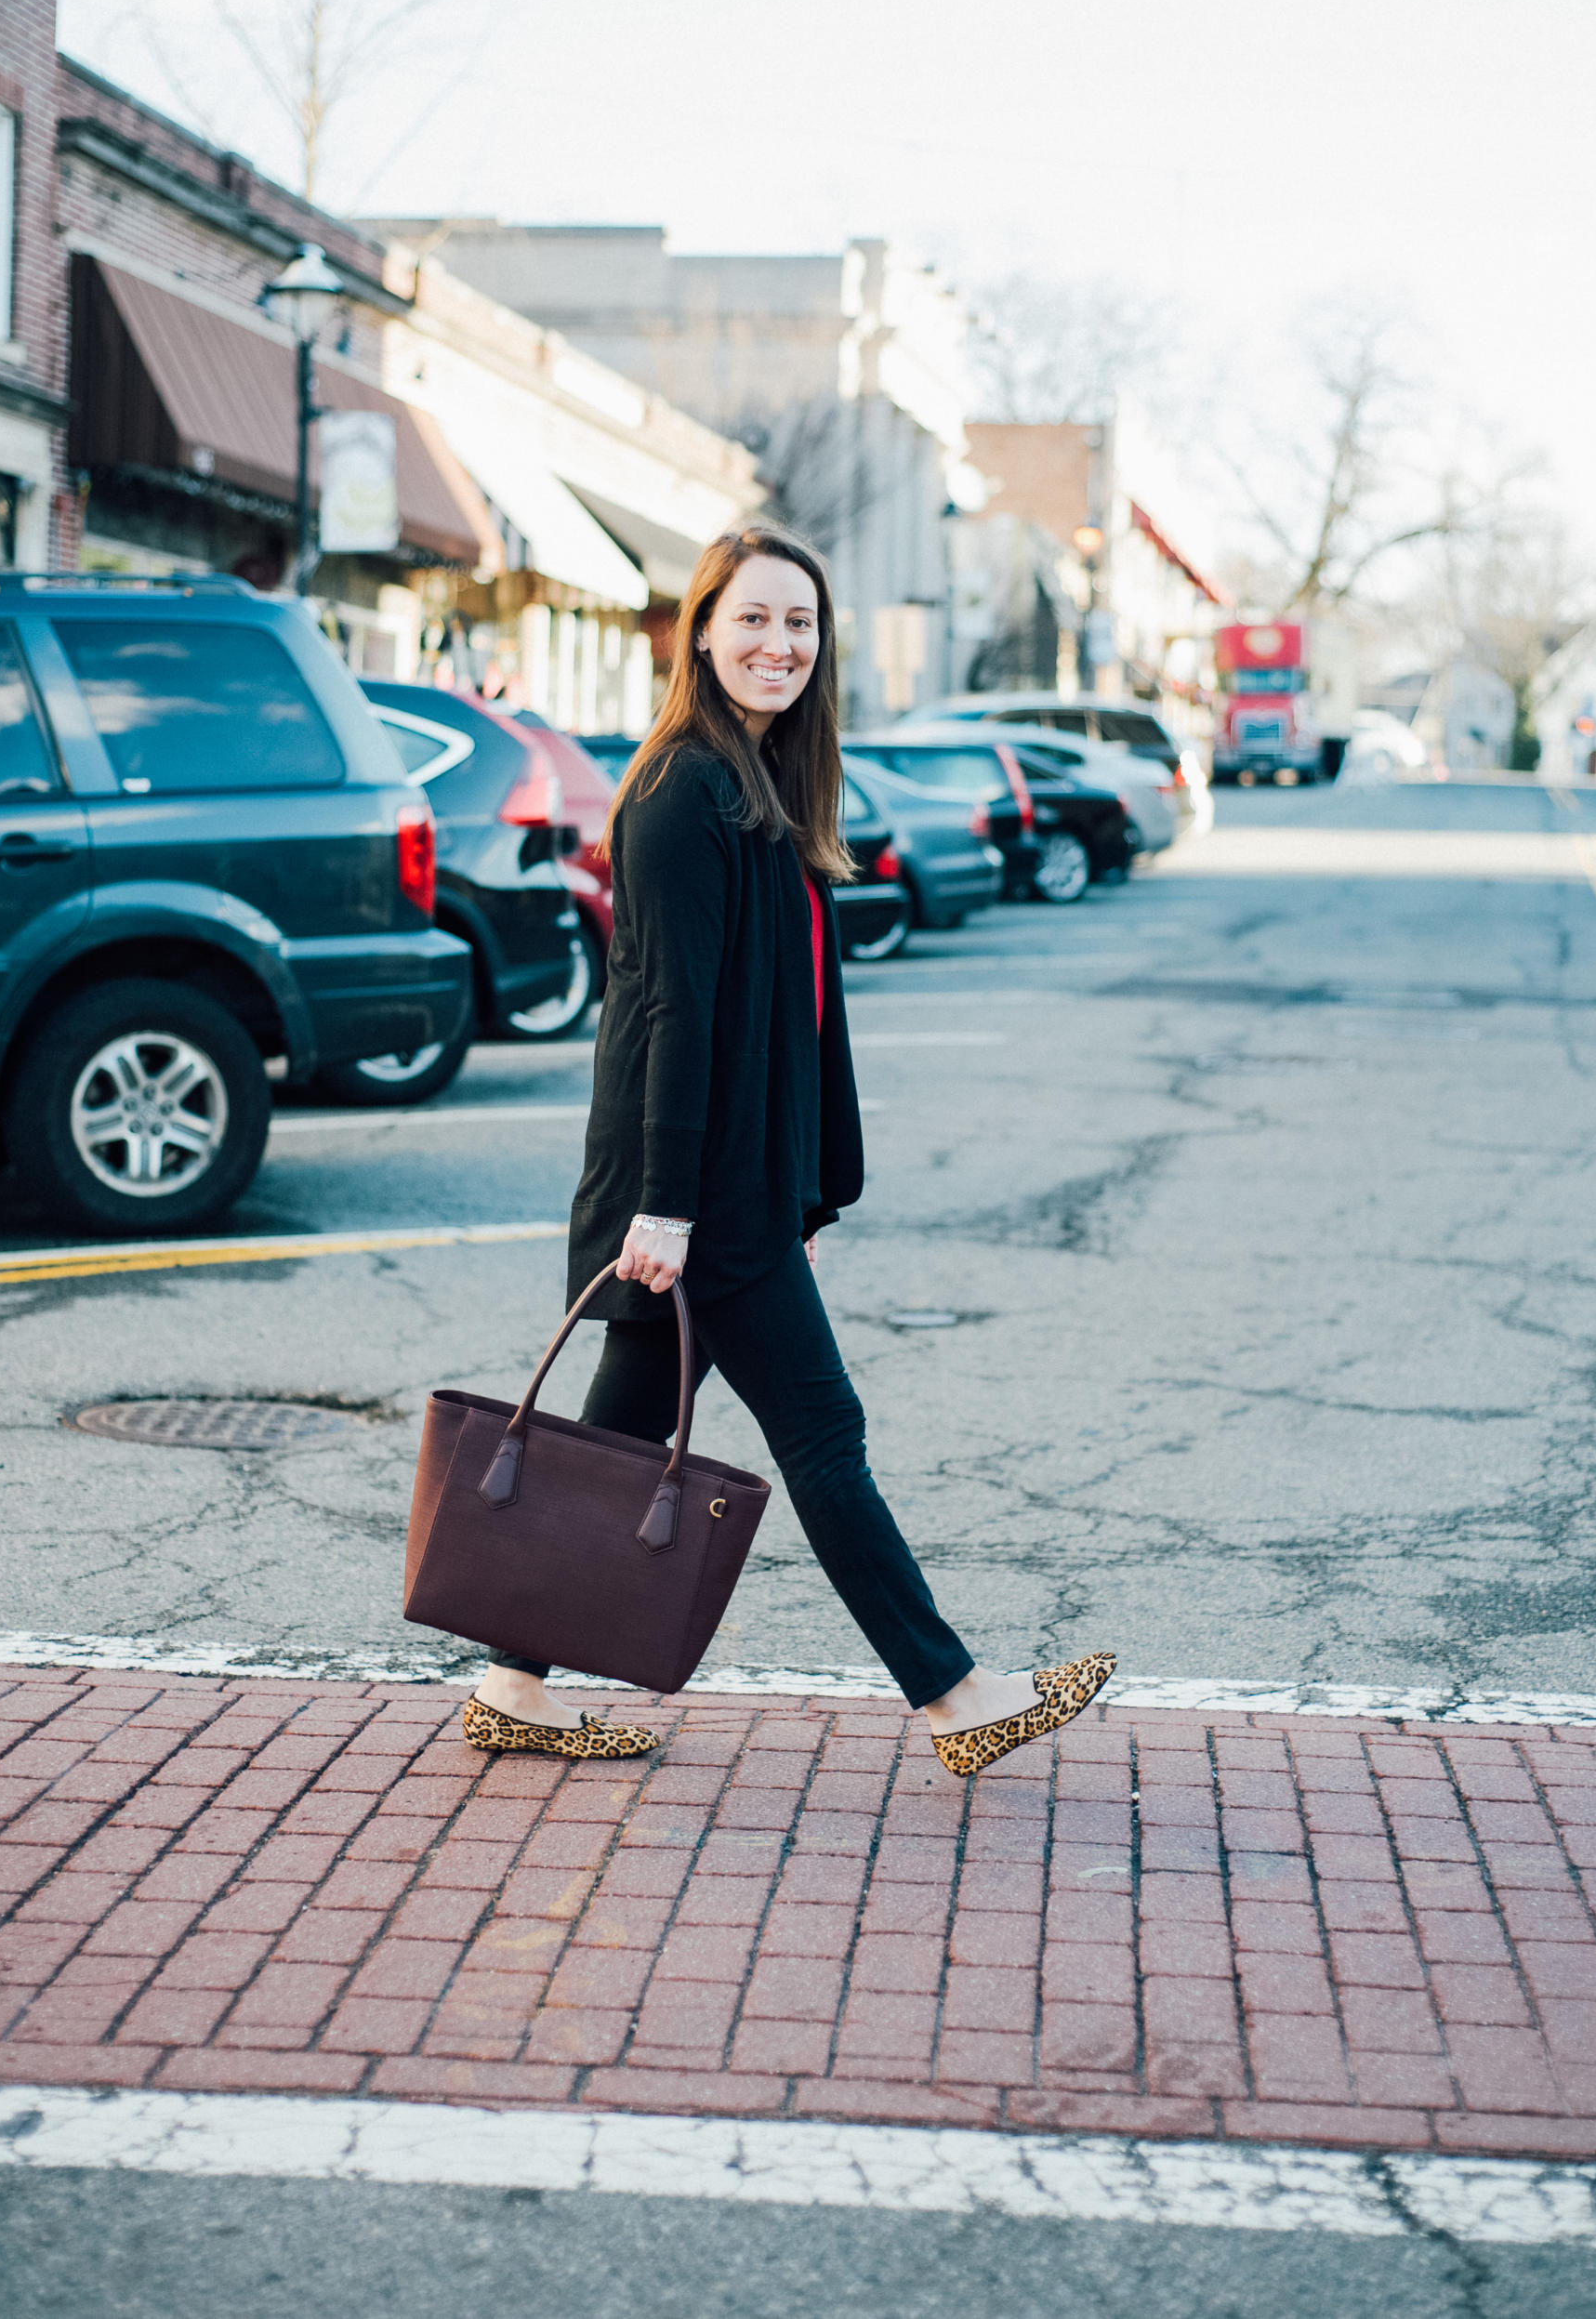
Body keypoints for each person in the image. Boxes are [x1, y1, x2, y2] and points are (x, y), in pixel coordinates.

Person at [461, 524, 1114, 1775]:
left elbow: (790, 1006)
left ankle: (511, 1680)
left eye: (801, 624)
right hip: (704, 1196)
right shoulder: (683, 792)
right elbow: (671, 1012)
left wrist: (805, 1177)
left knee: (608, 1446)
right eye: (753, 618)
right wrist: (664, 1207)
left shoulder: (754, 782)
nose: (779, 644)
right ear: (701, 630)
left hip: (739, 1185)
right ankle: (956, 1695)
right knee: (824, 1429)